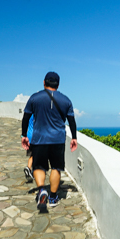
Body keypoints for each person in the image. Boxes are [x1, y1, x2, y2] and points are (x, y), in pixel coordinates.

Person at [21, 72, 78, 208]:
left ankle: (41, 190)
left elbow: (26, 118)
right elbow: (71, 121)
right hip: (57, 139)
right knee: (56, 168)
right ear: (58, 84)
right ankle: (53, 198)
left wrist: (24, 135)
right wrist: (74, 137)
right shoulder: (66, 100)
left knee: (39, 166)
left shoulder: (35, 98)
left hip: (39, 138)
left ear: (44, 82)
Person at [23, 114, 34, 183]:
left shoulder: (30, 114)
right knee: (36, 155)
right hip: (37, 137)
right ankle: (30, 169)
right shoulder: (39, 112)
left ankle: (29, 168)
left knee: (32, 155)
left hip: (29, 136)